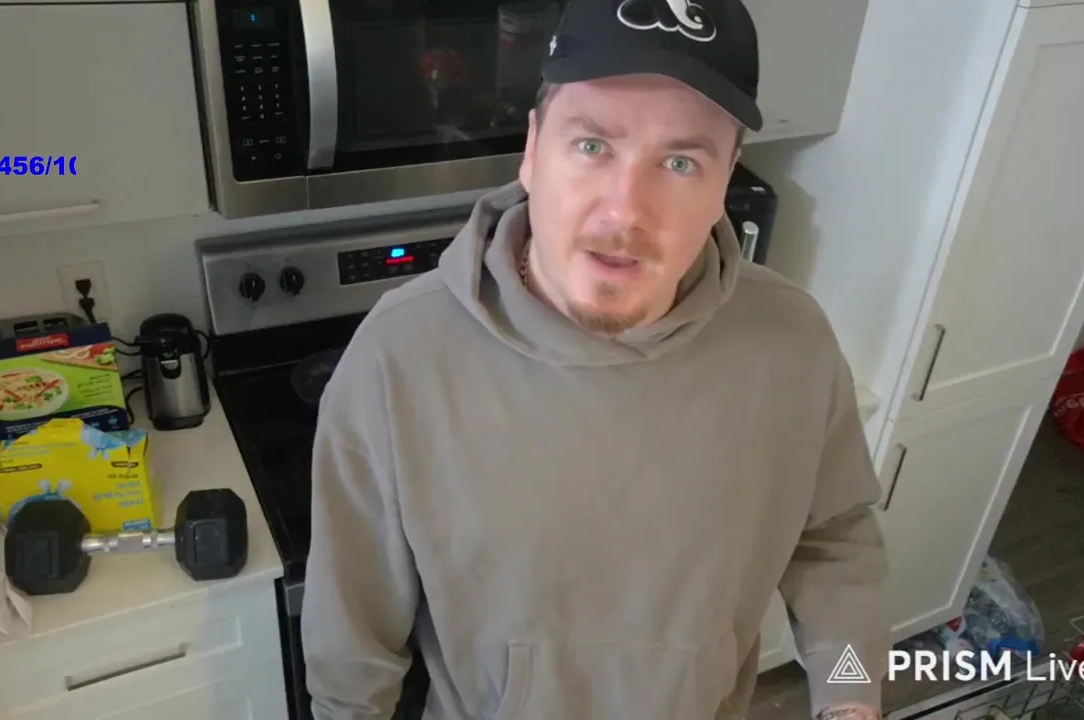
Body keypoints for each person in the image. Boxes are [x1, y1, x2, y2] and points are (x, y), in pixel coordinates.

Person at [301, 0, 891, 717]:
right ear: (532, 150)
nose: (624, 213)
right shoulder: (400, 358)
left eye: (680, 162)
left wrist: (852, 697)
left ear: (725, 182)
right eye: (591, 146)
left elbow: (835, 543)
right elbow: (350, 646)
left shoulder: (793, 343)